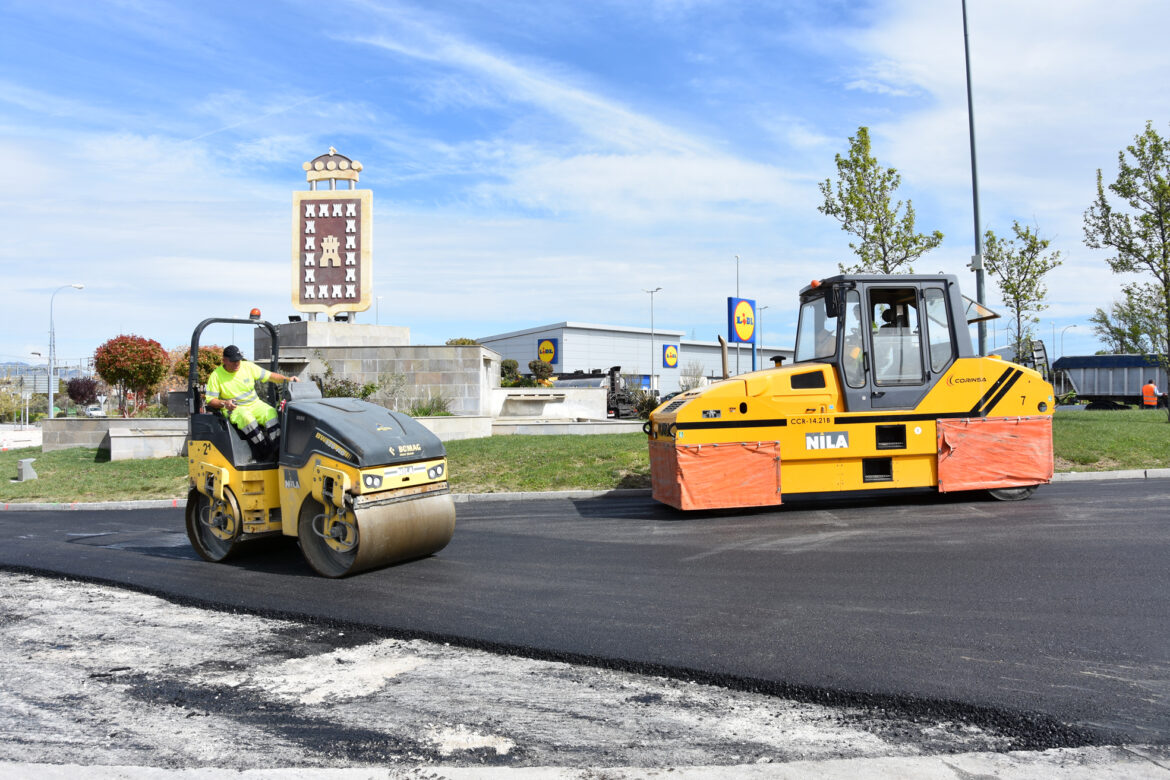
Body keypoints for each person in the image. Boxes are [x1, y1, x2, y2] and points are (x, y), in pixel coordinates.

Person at [205, 345, 299, 455]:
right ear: (224, 360)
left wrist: (288, 379)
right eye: (233, 361)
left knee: (270, 413)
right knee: (246, 417)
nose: (237, 363)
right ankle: (264, 450)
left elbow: (270, 376)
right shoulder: (216, 376)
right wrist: (225, 403)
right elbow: (211, 400)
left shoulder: (248, 367)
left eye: (239, 360)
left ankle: (278, 449)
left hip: (255, 404)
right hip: (234, 409)